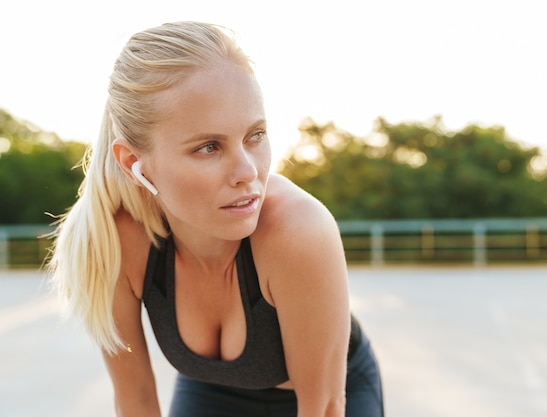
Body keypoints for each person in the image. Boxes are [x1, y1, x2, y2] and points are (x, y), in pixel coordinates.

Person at [47, 21, 384, 417]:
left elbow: (324, 406)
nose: (247, 172)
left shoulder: (298, 232)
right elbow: (136, 402)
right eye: (209, 147)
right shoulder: (115, 242)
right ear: (134, 163)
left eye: (255, 135)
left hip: (328, 398)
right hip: (212, 394)